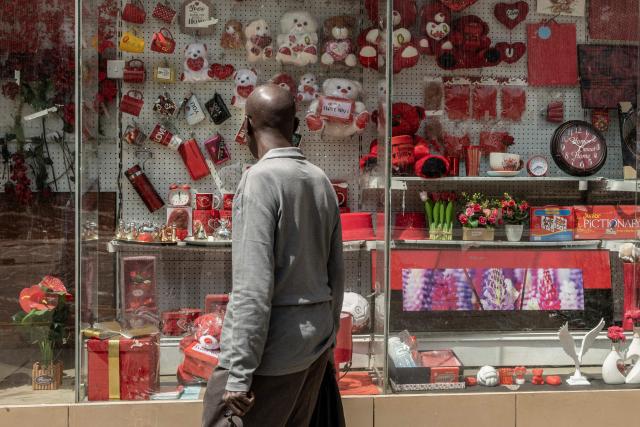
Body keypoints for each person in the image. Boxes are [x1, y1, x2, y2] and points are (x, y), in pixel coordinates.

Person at [202, 84, 345, 427]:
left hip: (271, 355)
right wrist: (327, 345)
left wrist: (238, 374)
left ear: (247, 126)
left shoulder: (259, 180)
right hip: (313, 350)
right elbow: (336, 273)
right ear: (294, 126)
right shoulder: (319, 179)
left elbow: (253, 287)